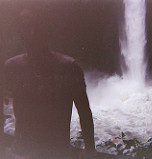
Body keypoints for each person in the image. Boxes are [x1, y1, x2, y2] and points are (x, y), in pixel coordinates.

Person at [2, 8, 96, 159]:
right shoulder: (12, 67)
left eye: (36, 26)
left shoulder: (69, 67)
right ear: (19, 31)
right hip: (21, 150)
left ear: (46, 31)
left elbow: (84, 112)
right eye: (26, 26)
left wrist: (90, 150)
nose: (31, 32)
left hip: (57, 152)